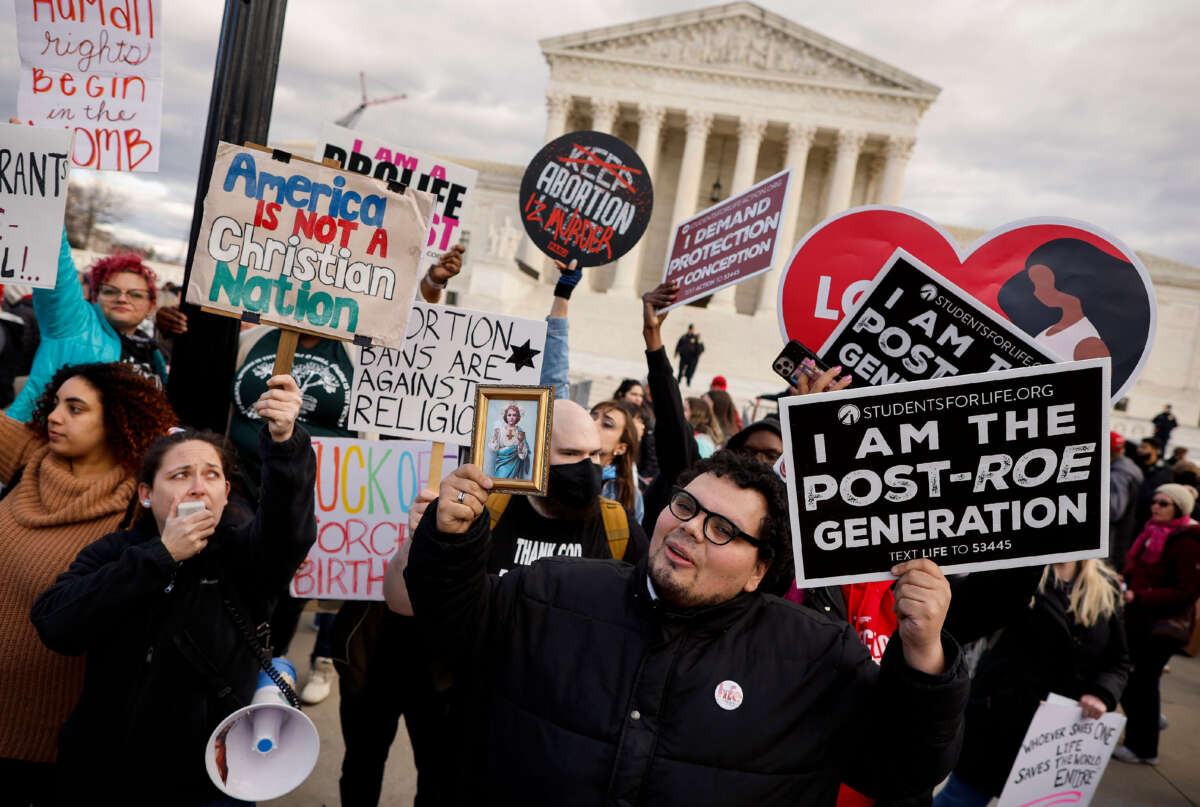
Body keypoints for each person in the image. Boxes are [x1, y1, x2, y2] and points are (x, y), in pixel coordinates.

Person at [405, 449, 970, 805]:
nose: (692, 529)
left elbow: (902, 772)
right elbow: (452, 635)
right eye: (685, 506)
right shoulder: (552, 589)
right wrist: (450, 544)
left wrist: (924, 660)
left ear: (760, 570)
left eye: (723, 528)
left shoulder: (817, 655)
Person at [31, 374, 316, 805]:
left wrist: (285, 441)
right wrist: (162, 556)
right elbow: (55, 624)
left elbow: (288, 529)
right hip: (107, 775)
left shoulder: (246, 555)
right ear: (147, 494)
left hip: (214, 778)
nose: (198, 487)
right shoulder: (118, 552)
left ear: (225, 492)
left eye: (211, 476)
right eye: (180, 475)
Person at [0, 363, 176, 806]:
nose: (55, 417)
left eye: (75, 409)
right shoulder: (30, 458)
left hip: (48, 743)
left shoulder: (143, 508)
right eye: (56, 404)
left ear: (117, 419)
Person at [933, 560, 1130, 806]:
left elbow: (1119, 661)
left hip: (1062, 736)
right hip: (998, 723)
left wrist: (1103, 694)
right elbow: (969, 610)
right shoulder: (1018, 572)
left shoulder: (1106, 584)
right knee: (961, 799)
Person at [7, 233, 171, 421]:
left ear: (151, 307)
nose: (122, 298)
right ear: (95, 297)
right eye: (110, 291)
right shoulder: (74, 323)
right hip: (45, 443)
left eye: (135, 294)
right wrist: (49, 211)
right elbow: (56, 260)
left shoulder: (154, 352)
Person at [1113, 483, 1200, 765]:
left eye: (1164, 504)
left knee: (1141, 682)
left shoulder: (1187, 542)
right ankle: (1149, 721)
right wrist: (1124, 579)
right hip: (1139, 620)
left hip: (1162, 627)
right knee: (1134, 681)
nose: (1156, 507)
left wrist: (1139, 595)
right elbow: (1139, 568)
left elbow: (1186, 593)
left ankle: (1144, 747)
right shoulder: (1152, 531)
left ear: (1180, 508)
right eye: (1155, 501)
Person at [997, 238, 1151, 396]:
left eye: (1042, 282)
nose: (1036, 291)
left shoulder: (1088, 344)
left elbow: (1093, 398)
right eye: (1034, 283)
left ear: (1072, 284)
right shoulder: (1049, 330)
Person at [590, 399, 644, 523]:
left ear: (620, 448)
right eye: (591, 418)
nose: (593, 424)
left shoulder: (628, 495)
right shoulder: (554, 469)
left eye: (607, 424)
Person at [1110, 431, 1145, 571]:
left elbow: (1114, 511)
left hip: (1113, 542)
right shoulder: (1130, 468)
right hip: (1122, 538)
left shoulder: (1118, 474)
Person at [1134, 437, 1173, 527]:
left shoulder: (1163, 470)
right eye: (1139, 447)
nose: (1139, 450)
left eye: (1144, 447)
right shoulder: (1136, 465)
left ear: (1155, 450)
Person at [487, 404, 531, 479]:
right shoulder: (500, 430)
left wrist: (520, 447)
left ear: (517, 417)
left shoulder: (520, 431)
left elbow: (522, 455)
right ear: (506, 416)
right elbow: (493, 448)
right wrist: (495, 435)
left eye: (514, 415)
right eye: (509, 415)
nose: (511, 418)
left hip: (514, 463)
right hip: (501, 462)